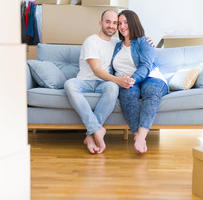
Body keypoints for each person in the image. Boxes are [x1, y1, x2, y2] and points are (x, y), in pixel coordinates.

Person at [64, 10, 154, 154]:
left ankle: (90, 135)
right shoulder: (91, 41)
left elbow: (133, 43)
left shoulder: (117, 43)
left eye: (115, 23)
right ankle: (97, 129)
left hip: (104, 83)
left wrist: (146, 40)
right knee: (69, 85)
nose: (111, 26)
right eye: (108, 22)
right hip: (85, 81)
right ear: (101, 23)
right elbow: (96, 70)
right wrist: (118, 80)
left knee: (113, 88)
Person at [111, 10, 168, 154]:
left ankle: (142, 136)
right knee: (128, 93)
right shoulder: (116, 46)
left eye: (126, 22)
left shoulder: (144, 41)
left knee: (151, 91)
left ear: (133, 23)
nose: (122, 26)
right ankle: (136, 135)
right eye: (119, 23)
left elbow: (146, 66)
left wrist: (133, 78)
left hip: (150, 77)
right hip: (128, 80)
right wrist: (120, 80)